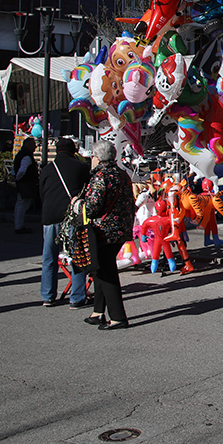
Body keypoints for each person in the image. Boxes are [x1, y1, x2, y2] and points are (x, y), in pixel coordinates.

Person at [81, 140, 135, 330]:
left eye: (92, 156)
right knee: (101, 268)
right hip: (122, 227)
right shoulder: (122, 174)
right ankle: (98, 311)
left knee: (106, 271)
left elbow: (92, 206)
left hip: (104, 229)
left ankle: (118, 317)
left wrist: (77, 205)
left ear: (97, 157)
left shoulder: (101, 176)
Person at [38, 137, 91, 308]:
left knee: (49, 257)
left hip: (50, 215)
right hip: (72, 216)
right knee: (77, 255)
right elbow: (86, 190)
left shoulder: (47, 169)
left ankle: (48, 295)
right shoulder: (80, 167)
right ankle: (77, 297)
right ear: (73, 151)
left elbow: (41, 193)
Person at [12, 137, 39, 234]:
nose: (35, 147)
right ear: (29, 146)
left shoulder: (20, 154)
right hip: (26, 183)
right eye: (33, 145)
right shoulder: (27, 156)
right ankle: (19, 226)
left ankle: (18, 224)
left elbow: (14, 168)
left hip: (22, 182)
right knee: (23, 205)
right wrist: (19, 178)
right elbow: (22, 170)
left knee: (20, 204)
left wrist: (15, 177)